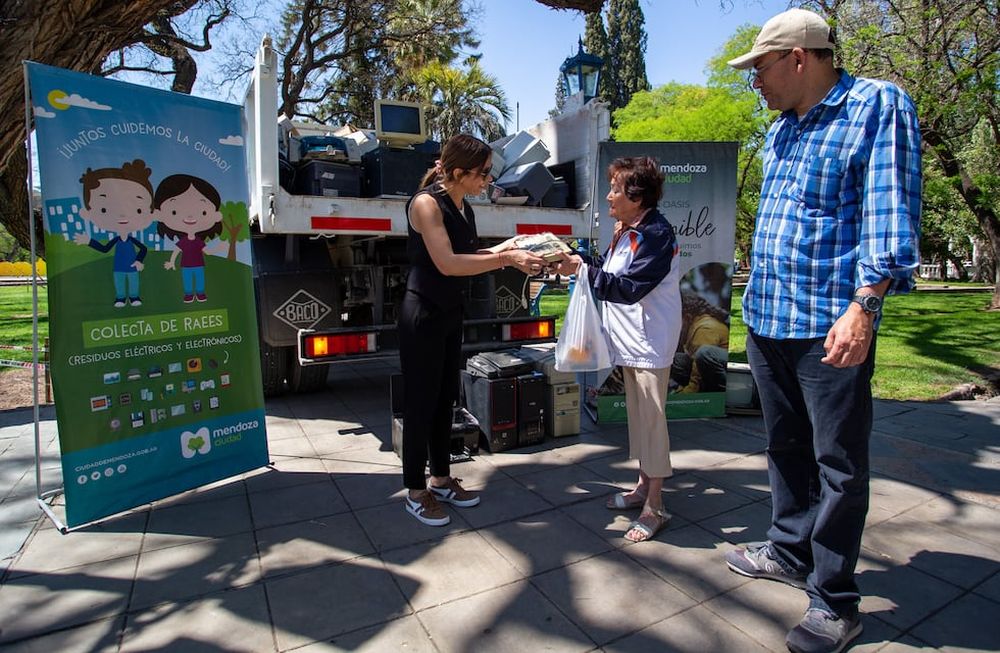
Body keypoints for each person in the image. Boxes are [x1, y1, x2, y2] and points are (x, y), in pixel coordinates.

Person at [724, 8, 921, 653]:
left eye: (760, 66)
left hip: (828, 325)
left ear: (800, 57)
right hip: (769, 319)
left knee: (838, 464)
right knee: (784, 446)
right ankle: (789, 548)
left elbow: (889, 217)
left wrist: (864, 307)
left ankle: (835, 600)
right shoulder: (781, 129)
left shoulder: (876, 106)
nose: (755, 79)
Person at [399, 134, 546, 527]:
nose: (488, 180)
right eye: (482, 173)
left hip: (449, 312)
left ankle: (441, 479)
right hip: (423, 314)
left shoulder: (463, 205)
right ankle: (415, 490)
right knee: (420, 402)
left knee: (446, 398)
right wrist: (504, 259)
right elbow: (447, 263)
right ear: (460, 171)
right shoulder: (426, 204)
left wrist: (512, 255)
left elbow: (471, 255)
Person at [553, 156, 681, 543]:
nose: (608, 196)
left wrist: (581, 271)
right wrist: (578, 261)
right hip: (629, 340)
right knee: (639, 419)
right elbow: (610, 271)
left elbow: (628, 288)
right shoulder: (627, 229)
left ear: (637, 197)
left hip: (650, 340)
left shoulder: (656, 235)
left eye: (615, 189)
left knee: (652, 420)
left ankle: (655, 506)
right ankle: (643, 486)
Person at [74, 159, 156, 307]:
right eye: (104, 210)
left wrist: (139, 261)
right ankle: (120, 298)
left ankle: (134, 297)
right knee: (119, 282)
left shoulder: (132, 240)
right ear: (88, 212)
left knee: (133, 282)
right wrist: (89, 241)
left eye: (137, 210)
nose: (122, 216)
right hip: (118, 267)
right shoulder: (116, 240)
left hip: (132, 267)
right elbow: (104, 248)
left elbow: (143, 249)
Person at [155, 174, 227, 303]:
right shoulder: (183, 241)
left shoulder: (199, 241)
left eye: (203, 212)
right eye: (174, 212)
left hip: (198, 264)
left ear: (216, 215)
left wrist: (219, 248)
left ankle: (200, 294)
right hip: (186, 265)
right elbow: (176, 251)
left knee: (199, 279)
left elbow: (207, 252)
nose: (189, 217)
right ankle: (188, 294)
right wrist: (172, 262)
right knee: (187, 280)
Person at [671, 292, 730, 394]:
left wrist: (684, 395)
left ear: (687, 317)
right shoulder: (695, 325)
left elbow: (696, 375)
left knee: (705, 353)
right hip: (712, 373)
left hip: (726, 375)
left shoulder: (704, 329)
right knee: (677, 360)